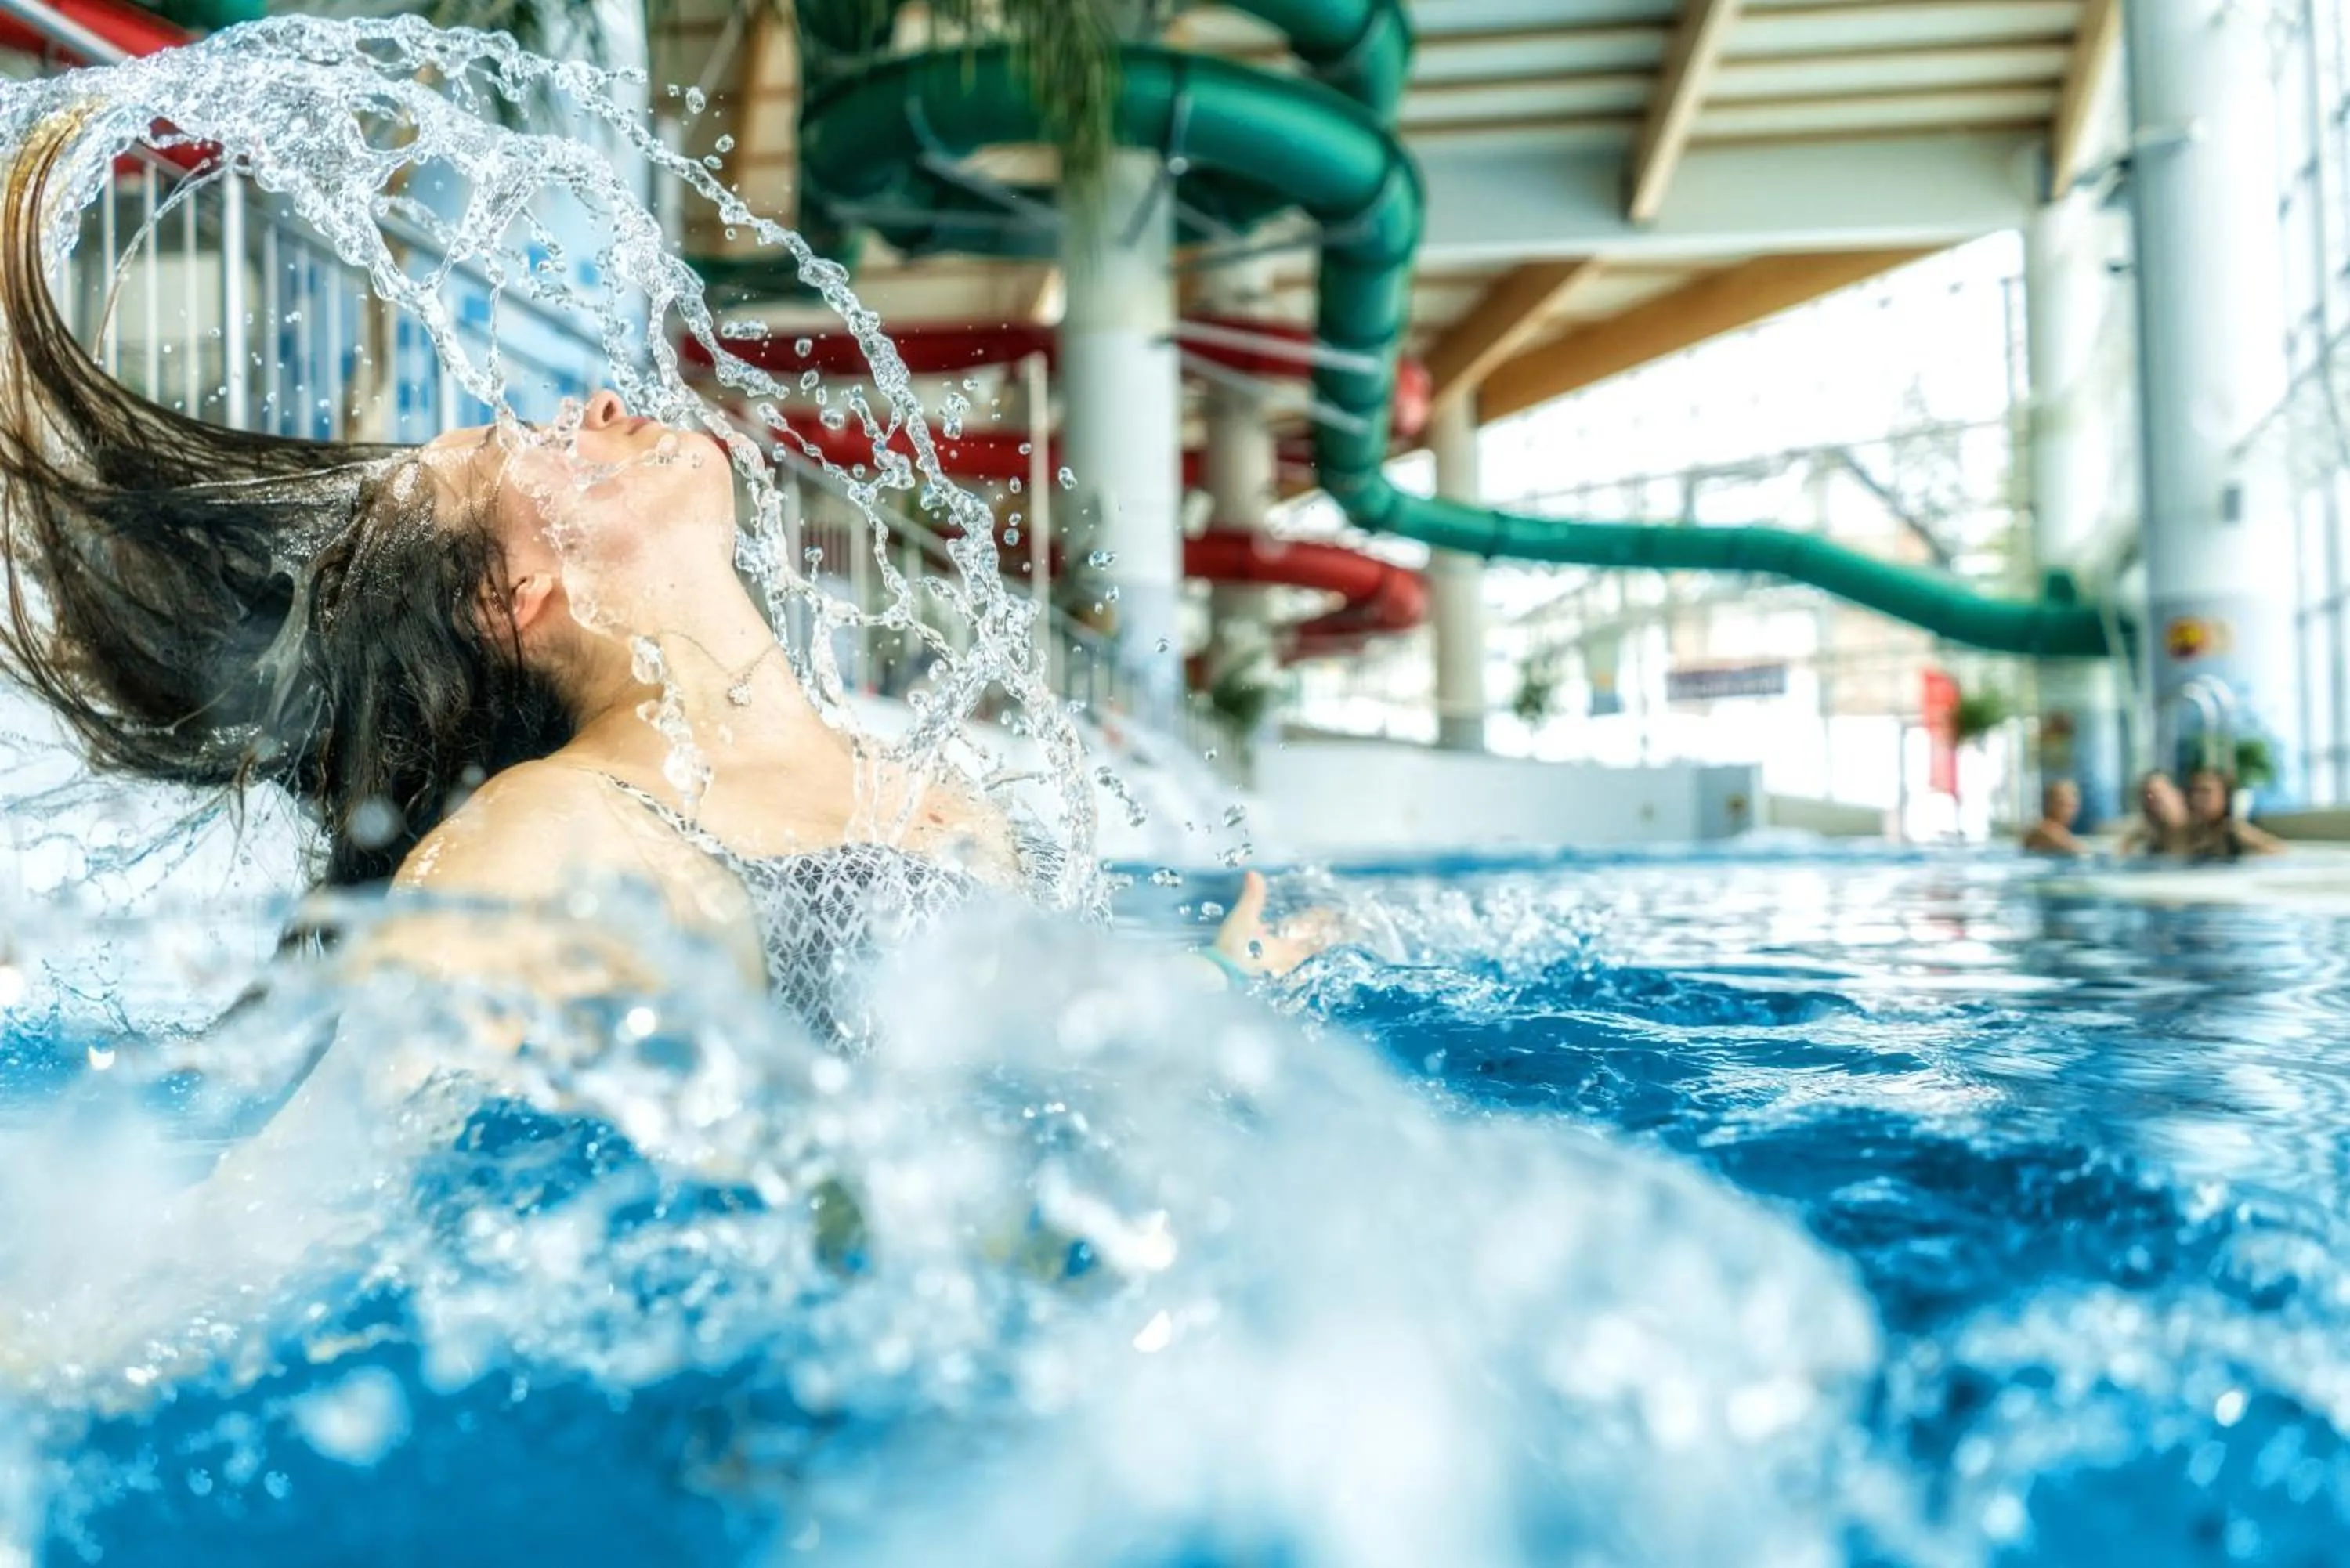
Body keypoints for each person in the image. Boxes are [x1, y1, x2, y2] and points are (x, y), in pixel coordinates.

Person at [0, 119, 1316, 1053]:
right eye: (521, 447)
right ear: (511, 595)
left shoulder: (942, 799)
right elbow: (305, 1196)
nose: (597, 402)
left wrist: (1221, 987)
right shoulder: (556, 834)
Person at [2182, 765, 2283, 862]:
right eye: (2193, 792)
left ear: (2225, 797)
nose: (2197, 799)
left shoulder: (2235, 831)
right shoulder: (2187, 831)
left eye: (2205, 792)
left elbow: (2279, 851)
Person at [2115, 770, 2195, 858]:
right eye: (2148, 797)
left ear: (2178, 794)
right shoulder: (2143, 840)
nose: (2153, 800)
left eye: (2160, 792)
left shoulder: (2201, 832)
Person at [2020, 779, 2085, 857]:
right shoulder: (2045, 831)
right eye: (2064, 805)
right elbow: (2078, 850)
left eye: (2073, 806)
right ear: (2050, 804)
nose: (2070, 811)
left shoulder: (2057, 833)